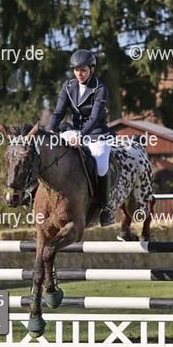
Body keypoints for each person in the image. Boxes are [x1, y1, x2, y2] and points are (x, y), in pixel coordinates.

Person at [47, 49, 115, 226]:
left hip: (96, 134)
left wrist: (81, 136)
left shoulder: (100, 88)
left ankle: (105, 208)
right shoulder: (68, 87)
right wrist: (50, 130)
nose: (79, 74)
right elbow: (58, 112)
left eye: (83, 70)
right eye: (76, 70)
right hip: (73, 131)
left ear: (92, 69)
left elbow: (94, 118)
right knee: (51, 153)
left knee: (101, 165)